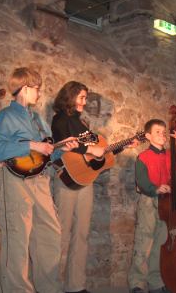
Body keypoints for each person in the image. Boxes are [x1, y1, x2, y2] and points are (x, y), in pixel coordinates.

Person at [0, 68, 77, 293]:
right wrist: (30, 144)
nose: (39, 94)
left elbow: (48, 153)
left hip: (41, 182)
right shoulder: (6, 116)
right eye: (36, 89)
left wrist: (62, 148)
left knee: (50, 235)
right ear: (24, 89)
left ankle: (49, 289)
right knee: (17, 240)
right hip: (17, 183)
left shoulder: (37, 119)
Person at [51, 81, 138, 293]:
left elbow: (100, 155)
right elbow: (62, 143)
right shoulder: (60, 119)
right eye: (81, 97)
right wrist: (89, 148)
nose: (84, 102)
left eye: (85, 98)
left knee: (82, 234)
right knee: (60, 233)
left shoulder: (83, 125)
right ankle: (51, 285)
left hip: (85, 181)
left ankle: (75, 286)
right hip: (67, 177)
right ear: (69, 97)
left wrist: (121, 146)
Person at [128, 119, 176, 293]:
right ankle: (137, 283)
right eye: (157, 132)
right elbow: (141, 182)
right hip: (149, 200)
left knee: (160, 244)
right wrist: (155, 188)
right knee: (144, 241)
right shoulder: (143, 157)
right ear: (148, 136)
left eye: (164, 132)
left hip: (167, 203)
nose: (162, 134)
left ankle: (155, 281)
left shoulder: (171, 156)